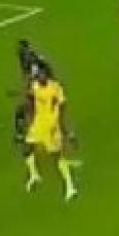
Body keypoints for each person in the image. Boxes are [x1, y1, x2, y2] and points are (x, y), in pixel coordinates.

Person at [22, 69, 79, 201]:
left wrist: (64, 128)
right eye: (38, 77)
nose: (40, 79)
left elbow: (62, 107)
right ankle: (34, 174)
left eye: (43, 76)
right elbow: (30, 98)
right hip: (38, 124)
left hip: (51, 126)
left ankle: (70, 186)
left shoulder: (55, 88)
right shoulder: (35, 86)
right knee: (28, 147)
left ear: (47, 77)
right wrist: (29, 114)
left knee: (57, 156)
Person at [13, 39, 53, 145]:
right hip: (41, 86)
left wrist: (29, 89)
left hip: (42, 88)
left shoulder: (30, 60)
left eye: (20, 48)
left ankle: (27, 135)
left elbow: (36, 76)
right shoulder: (29, 58)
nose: (18, 50)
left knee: (25, 111)